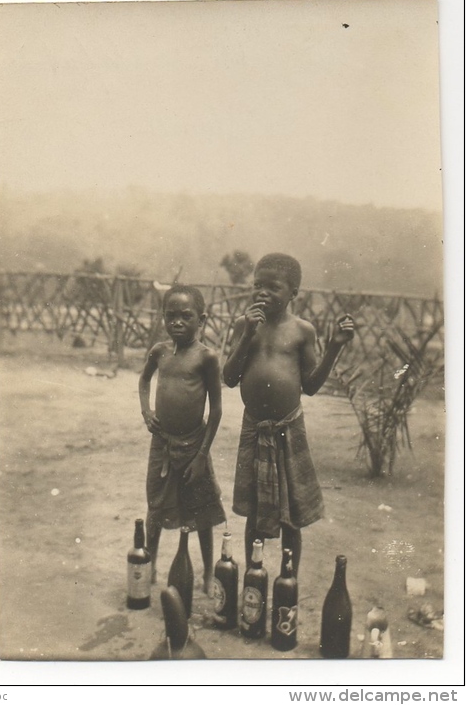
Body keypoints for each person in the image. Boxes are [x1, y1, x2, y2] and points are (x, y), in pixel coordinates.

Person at [223, 253, 354, 576]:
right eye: (257, 285)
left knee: (290, 515)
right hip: (255, 428)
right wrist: (248, 336)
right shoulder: (244, 325)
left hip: (287, 429)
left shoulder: (302, 331)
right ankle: (254, 577)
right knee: (255, 512)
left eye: (273, 287)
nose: (262, 292)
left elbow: (310, 386)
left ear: (293, 292)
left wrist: (334, 347)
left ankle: (287, 578)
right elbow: (228, 377)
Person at [139, 284, 226, 593]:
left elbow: (216, 410)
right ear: (163, 317)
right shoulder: (160, 351)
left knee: (200, 509)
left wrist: (202, 455)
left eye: (185, 316)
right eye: (170, 316)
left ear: (201, 319)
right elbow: (144, 380)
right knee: (156, 504)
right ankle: (148, 569)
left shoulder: (207, 357)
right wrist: (146, 410)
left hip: (193, 443)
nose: (177, 322)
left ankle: (205, 575)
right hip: (161, 442)